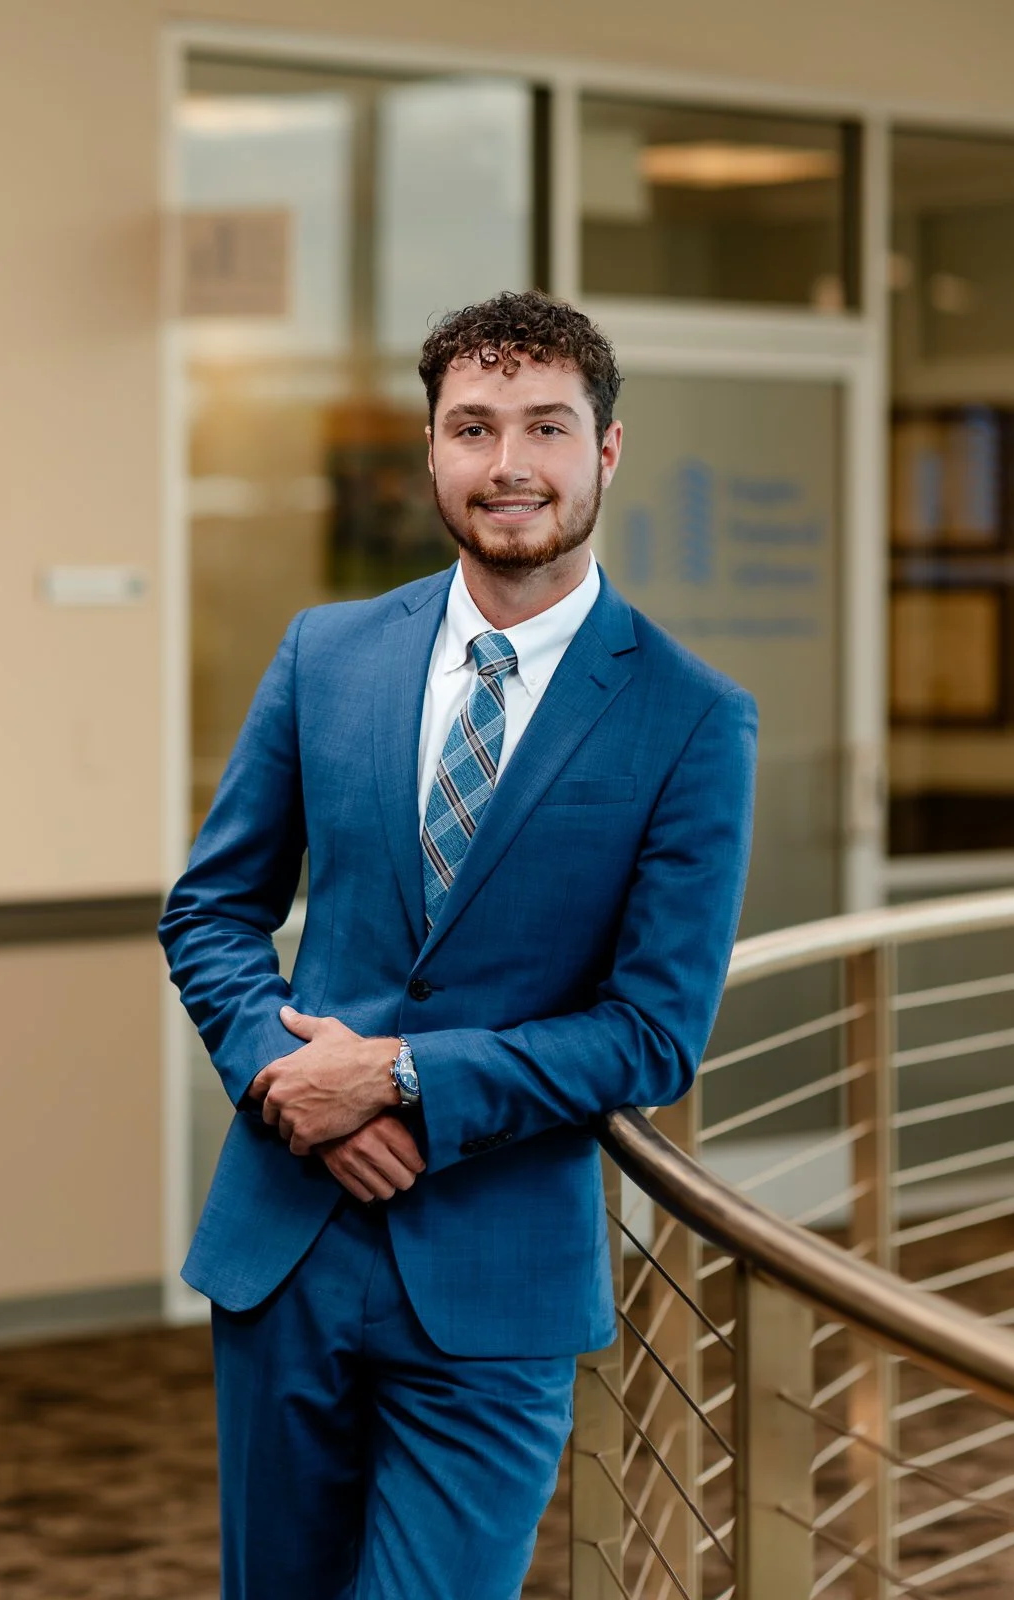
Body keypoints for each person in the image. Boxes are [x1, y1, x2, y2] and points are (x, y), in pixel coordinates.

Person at [158, 289, 757, 1600]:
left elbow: (652, 1033)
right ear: (430, 453)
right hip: (287, 1244)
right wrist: (288, 1080)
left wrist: (399, 1080)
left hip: (493, 1275)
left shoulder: (689, 718)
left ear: (603, 452)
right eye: (471, 429)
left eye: (544, 428)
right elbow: (209, 910)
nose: (507, 466)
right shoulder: (328, 654)